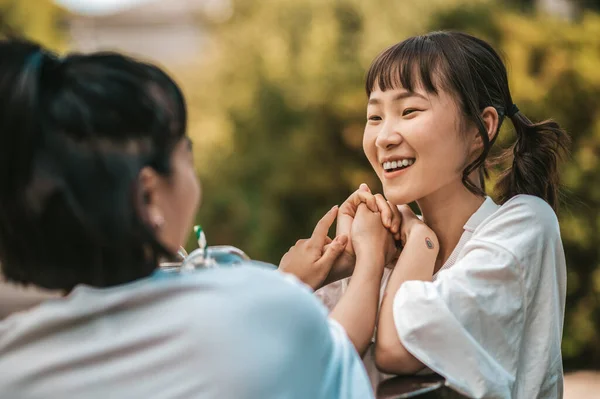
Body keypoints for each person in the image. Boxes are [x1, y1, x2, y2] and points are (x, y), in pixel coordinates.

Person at [0, 39, 375, 398]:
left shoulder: (14, 366)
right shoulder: (267, 310)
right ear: (148, 196)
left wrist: (287, 282)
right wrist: (373, 256)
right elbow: (333, 354)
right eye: (185, 152)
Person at [288, 31, 570, 398]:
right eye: (374, 116)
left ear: (480, 127)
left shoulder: (523, 225)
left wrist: (420, 242)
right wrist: (312, 276)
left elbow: (395, 349)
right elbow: (299, 368)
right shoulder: (377, 245)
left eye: (409, 111)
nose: (384, 137)